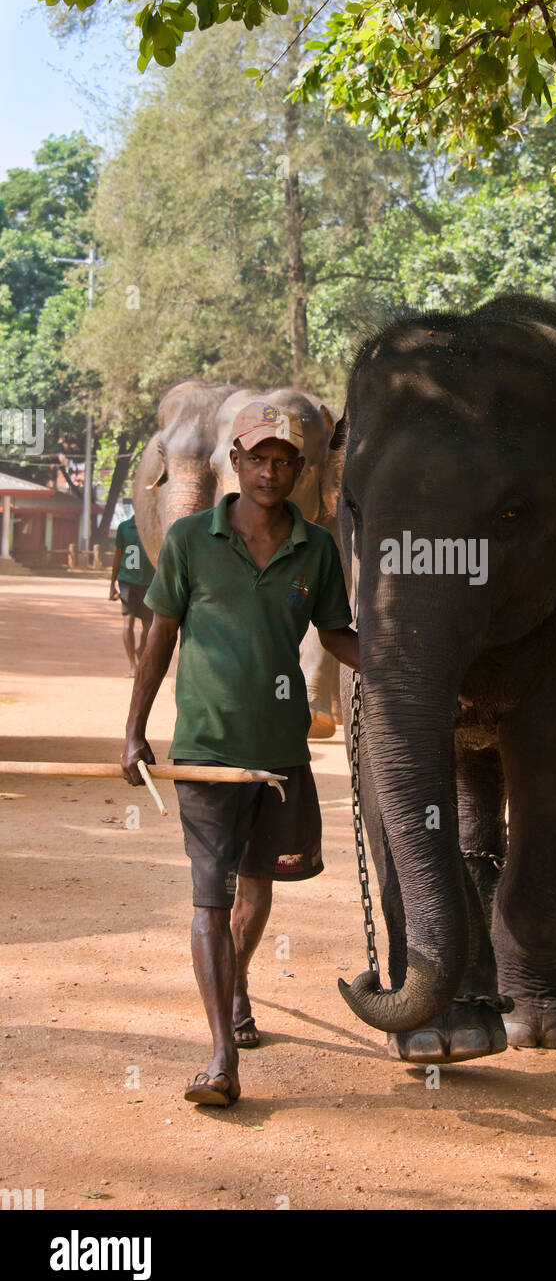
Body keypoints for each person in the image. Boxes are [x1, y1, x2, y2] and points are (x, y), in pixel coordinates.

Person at [121, 402, 359, 1107]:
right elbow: (160, 637)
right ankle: (221, 1055)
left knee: (257, 888)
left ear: (300, 470)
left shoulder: (316, 549)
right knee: (210, 896)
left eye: (284, 460)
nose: (270, 471)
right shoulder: (192, 539)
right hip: (205, 752)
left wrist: (395, 667)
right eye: (257, 458)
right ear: (236, 460)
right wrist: (134, 731)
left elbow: (337, 633)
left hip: (280, 754)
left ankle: (240, 982)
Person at [109, 502, 155, 676]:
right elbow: (118, 555)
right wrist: (112, 584)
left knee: (148, 625)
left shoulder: (153, 529)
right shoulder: (124, 528)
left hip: (149, 582)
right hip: (127, 581)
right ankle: (132, 665)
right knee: (128, 621)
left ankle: (141, 648)